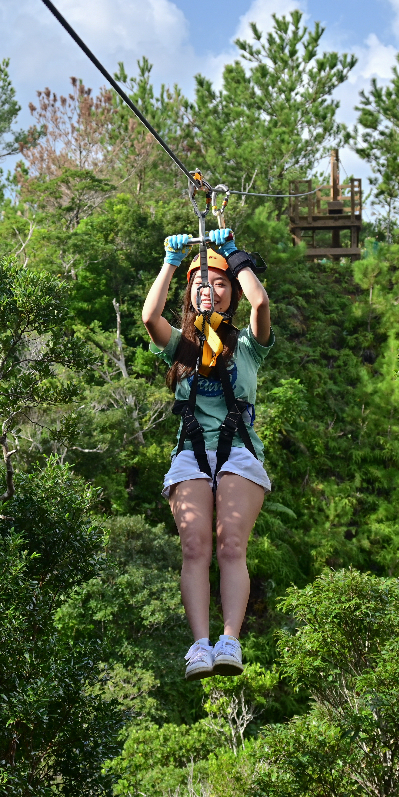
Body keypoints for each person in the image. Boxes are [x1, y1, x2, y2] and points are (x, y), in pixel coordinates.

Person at [142, 227, 273, 681]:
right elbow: (148, 316)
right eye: (203, 284)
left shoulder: (248, 347)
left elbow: (260, 304)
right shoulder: (182, 347)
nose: (211, 291)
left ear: (229, 293)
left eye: (220, 284)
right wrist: (172, 262)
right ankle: (200, 645)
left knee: (230, 545)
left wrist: (234, 255)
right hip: (192, 452)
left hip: (237, 450)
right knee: (195, 547)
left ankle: (230, 640)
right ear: (191, 294)